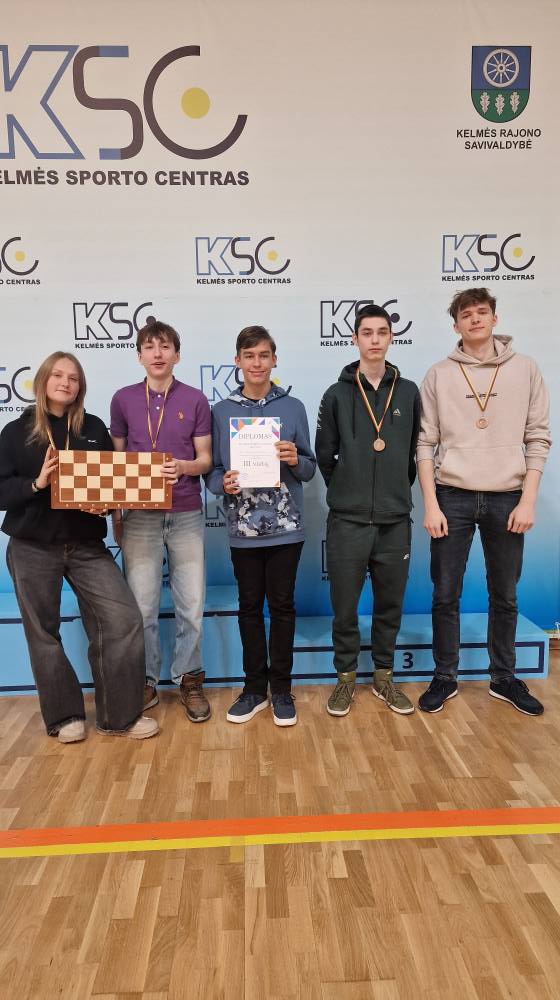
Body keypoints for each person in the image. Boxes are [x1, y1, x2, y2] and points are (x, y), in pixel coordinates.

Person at [0, 351, 158, 742]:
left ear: (80, 386)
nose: (65, 383)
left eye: (73, 378)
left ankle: (119, 717)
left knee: (123, 619)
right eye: (58, 375)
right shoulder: (15, 432)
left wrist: (107, 504)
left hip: (86, 545)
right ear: (43, 381)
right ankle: (65, 716)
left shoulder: (94, 427)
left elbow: (112, 485)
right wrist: (36, 483)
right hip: (32, 546)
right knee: (43, 633)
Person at [417, 287, 551, 715]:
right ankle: (445, 677)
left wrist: (527, 500)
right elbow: (425, 443)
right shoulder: (439, 374)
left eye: (481, 312)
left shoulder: (525, 369)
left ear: (495, 318)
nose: (474, 319)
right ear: (455, 325)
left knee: (505, 595)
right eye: (466, 314)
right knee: (445, 594)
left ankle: (503, 678)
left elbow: (538, 438)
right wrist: (431, 504)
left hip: (508, 497)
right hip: (451, 496)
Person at [206, 325, 316, 726]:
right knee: (249, 608)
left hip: (287, 527)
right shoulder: (221, 411)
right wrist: (223, 484)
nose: (257, 363)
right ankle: (254, 689)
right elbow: (213, 473)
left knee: (283, 607)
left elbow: (309, 468)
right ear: (237, 361)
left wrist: (294, 460)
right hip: (243, 530)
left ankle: (281, 690)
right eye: (249, 356)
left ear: (274, 360)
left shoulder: (293, 407)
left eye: (264, 355)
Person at [315, 304, 420, 717]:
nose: (374, 339)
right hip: (348, 521)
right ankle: (345, 679)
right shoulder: (336, 394)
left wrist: (392, 492)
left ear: (391, 337)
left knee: (389, 606)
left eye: (382, 332)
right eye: (367, 332)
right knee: (344, 609)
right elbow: (325, 456)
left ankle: (383, 677)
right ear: (355, 338)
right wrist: (349, 489)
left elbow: (413, 456)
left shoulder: (408, 392)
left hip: (395, 521)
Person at [110, 321, 212, 722]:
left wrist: (184, 467)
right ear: (139, 356)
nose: (157, 353)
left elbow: (205, 460)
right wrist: (117, 515)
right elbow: (116, 463)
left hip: (185, 512)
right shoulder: (122, 399)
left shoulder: (195, 399)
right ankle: (146, 680)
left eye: (165, 346)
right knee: (141, 607)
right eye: (149, 347)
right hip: (139, 516)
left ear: (177, 355)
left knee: (192, 604)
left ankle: (189, 677)